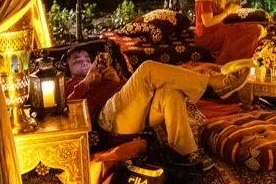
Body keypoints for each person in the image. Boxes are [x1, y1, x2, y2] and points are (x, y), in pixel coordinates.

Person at [64, 46, 222, 165]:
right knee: (147, 68)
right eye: (77, 60)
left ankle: (183, 155)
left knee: (170, 94)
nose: (84, 62)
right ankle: (212, 83)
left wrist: (116, 81)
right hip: (108, 118)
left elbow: (135, 93)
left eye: (87, 59)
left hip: (131, 114)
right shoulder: (68, 83)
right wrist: (86, 83)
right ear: (68, 68)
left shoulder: (104, 76)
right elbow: (67, 109)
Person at [194, 0, 265, 65]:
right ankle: (225, 63)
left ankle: (237, 64)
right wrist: (228, 12)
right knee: (255, 31)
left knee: (258, 28)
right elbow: (207, 22)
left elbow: (214, 10)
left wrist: (229, 4)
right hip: (207, 35)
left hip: (218, 29)